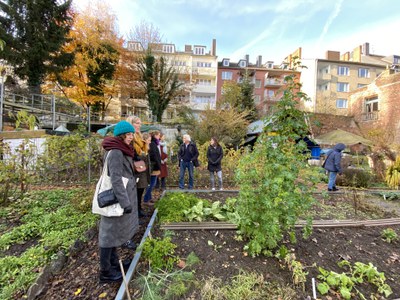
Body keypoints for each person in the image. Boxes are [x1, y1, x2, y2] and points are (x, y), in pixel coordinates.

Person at [99, 120, 139, 283]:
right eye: (128, 134)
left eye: (132, 134)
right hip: (115, 199)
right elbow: (115, 179)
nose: (131, 137)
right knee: (108, 235)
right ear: (121, 135)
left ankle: (114, 264)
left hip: (118, 197)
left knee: (113, 233)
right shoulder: (115, 151)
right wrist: (125, 202)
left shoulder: (121, 149)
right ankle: (105, 272)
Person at [127, 116, 150, 218]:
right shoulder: (131, 138)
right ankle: (135, 212)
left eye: (140, 123)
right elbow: (132, 154)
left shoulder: (140, 137)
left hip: (142, 167)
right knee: (135, 191)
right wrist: (139, 156)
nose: (139, 125)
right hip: (135, 168)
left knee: (140, 190)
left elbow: (144, 152)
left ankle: (139, 209)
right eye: (137, 123)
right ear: (131, 124)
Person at [143, 130, 162, 205]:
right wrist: (158, 165)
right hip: (153, 167)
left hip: (153, 166)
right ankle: (146, 199)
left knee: (151, 183)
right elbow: (154, 156)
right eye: (148, 140)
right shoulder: (153, 144)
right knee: (151, 184)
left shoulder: (153, 143)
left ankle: (149, 198)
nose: (159, 137)